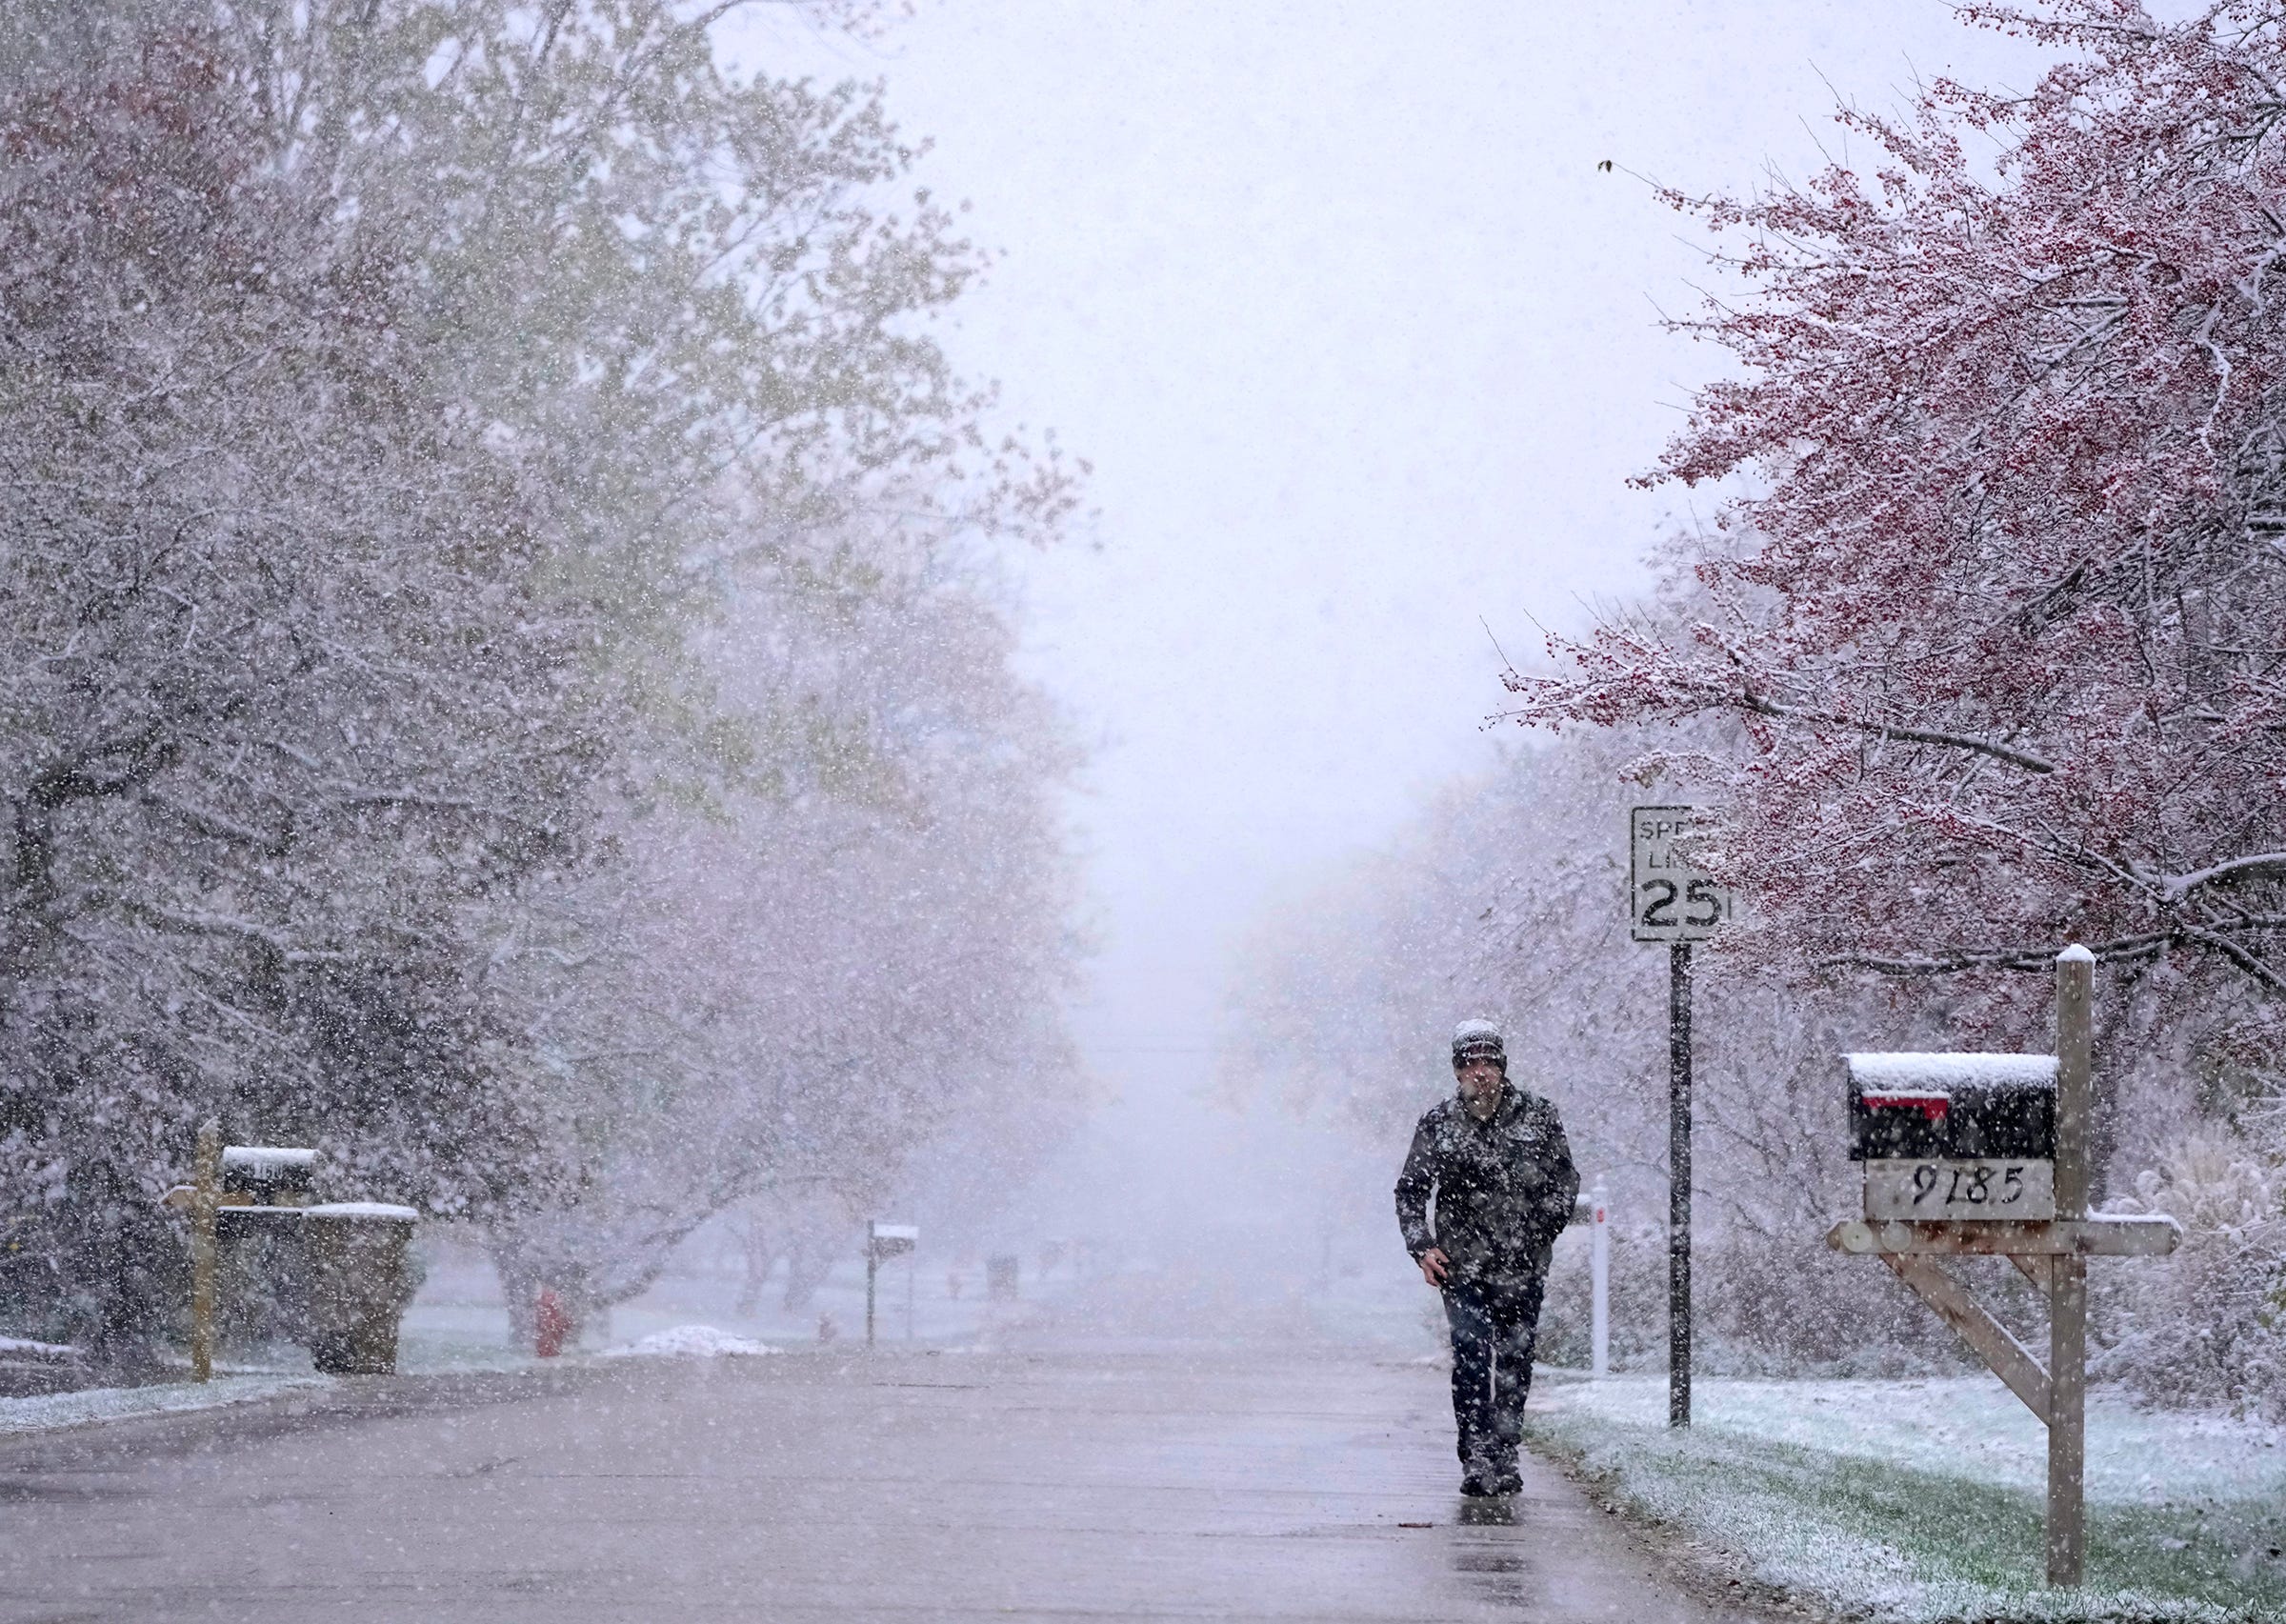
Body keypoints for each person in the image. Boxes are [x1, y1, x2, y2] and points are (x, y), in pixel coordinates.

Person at [1394, 1018, 1578, 1496]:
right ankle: (1476, 1456)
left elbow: (1564, 1184)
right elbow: (1411, 1190)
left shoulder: (1538, 1116)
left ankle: (1505, 1453)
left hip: (1522, 1265)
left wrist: (1537, 1234)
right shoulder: (1438, 1123)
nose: (1480, 1072)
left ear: (1502, 1066)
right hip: (1463, 1266)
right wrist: (1423, 1246)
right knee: (1472, 1358)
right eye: (1470, 1063)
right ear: (1457, 1070)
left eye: (1488, 1062)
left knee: (1515, 1360)